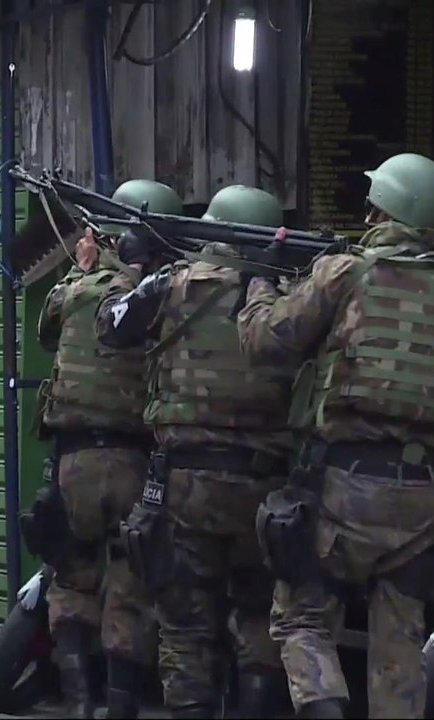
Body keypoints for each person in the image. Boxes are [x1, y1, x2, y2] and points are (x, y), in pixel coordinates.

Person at [235, 152, 434, 719]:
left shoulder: (347, 272)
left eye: (374, 208)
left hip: (344, 484)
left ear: (388, 214)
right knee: (400, 643)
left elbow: (265, 341)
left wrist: (261, 279)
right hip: (425, 493)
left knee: (301, 618)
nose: (367, 218)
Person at [97, 185, 294, 718]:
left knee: (185, 622)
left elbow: (110, 325)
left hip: (186, 484)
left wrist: (129, 267)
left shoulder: (174, 283)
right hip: (264, 484)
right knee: (259, 615)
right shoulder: (286, 295)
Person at [29, 179, 182, 719]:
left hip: (75, 461)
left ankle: (78, 701)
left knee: (71, 576)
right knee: (128, 586)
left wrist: (81, 267)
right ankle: (120, 705)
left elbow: (46, 329)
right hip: (136, 461)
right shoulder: (169, 293)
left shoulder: (79, 291)